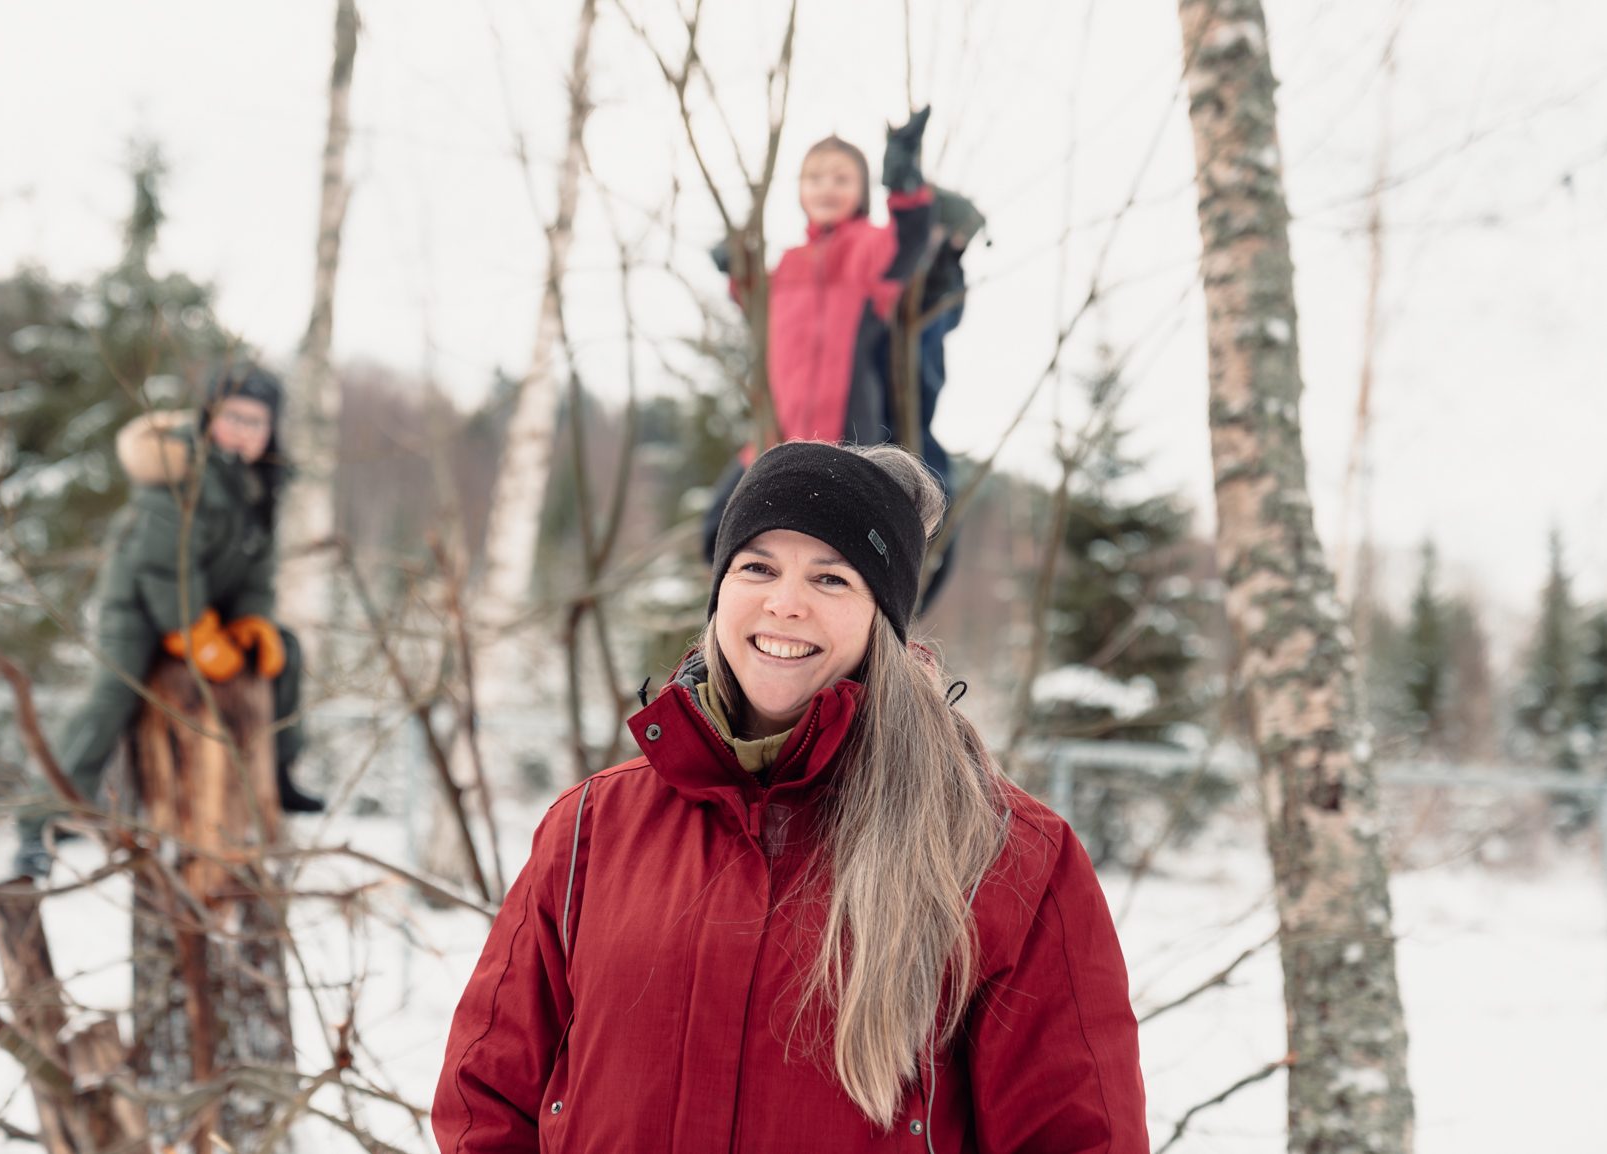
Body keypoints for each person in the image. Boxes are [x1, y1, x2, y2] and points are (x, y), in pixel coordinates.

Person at [433, 441, 1147, 1153]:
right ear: (719, 595)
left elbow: (1077, 1136)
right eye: (757, 567)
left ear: (883, 620)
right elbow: (486, 1098)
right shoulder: (591, 827)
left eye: (831, 579)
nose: (785, 603)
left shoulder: (1003, 853)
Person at [11, 360, 322, 879]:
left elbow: (258, 566)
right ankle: (41, 824)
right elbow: (163, 563)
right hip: (139, 606)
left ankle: (281, 769)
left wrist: (250, 621)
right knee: (113, 696)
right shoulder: (179, 467)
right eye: (234, 417)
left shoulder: (259, 483)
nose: (244, 432)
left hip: (213, 609)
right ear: (209, 415)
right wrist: (192, 631)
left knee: (284, 654)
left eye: (256, 422)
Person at [702, 107, 982, 606]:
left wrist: (904, 184)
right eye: (814, 177)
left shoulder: (869, 250)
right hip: (775, 436)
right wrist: (736, 268)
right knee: (716, 530)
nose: (827, 187)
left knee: (840, 551)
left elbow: (909, 244)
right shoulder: (788, 262)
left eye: (841, 177)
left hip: (845, 436)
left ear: (862, 188)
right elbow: (757, 306)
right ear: (798, 188)